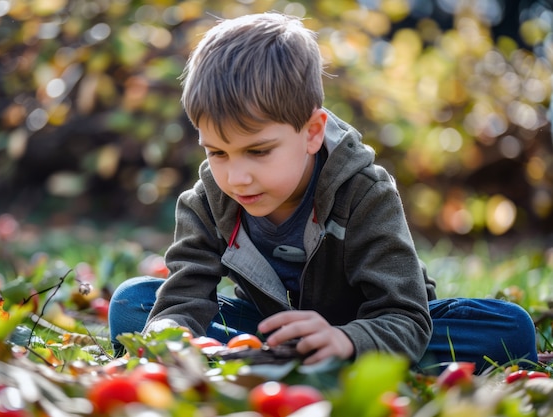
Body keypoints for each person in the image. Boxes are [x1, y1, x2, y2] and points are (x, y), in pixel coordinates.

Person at [109, 12, 538, 372]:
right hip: (270, 328)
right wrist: (173, 335)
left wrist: (346, 339)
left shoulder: (364, 192)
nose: (237, 177)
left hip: (372, 327)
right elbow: (184, 296)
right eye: (217, 152)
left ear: (312, 132)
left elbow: (404, 313)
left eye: (258, 151)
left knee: (510, 330)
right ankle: (267, 358)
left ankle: (322, 357)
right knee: (132, 305)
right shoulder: (208, 201)